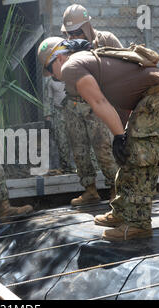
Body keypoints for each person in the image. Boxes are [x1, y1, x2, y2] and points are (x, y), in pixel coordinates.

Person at [37, 37, 159, 241]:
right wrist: (122, 134)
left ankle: (138, 224)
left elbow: (99, 102)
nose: (52, 76)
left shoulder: (71, 67)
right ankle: (122, 213)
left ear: (59, 58)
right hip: (150, 97)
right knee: (128, 155)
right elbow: (119, 99)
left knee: (139, 160)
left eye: (50, 70)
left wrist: (119, 136)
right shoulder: (83, 61)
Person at [58, 4, 123, 206]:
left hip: (97, 103)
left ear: (87, 27)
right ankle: (90, 190)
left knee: (103, 148)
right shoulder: (65, 46)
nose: (73, 36)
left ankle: (115, 189)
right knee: (79, 149)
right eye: (70, 33)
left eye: (77, 31)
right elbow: (58, 73)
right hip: (73, 103)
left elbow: (123, 65)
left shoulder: (106, 40)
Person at [43, 76, 75, 175]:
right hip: (59, 113)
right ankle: (66, 168)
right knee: (62, 141)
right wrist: (48, 117)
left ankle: (83, 167)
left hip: (74, 111)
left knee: (78, 140)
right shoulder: (50, 81)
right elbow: (48, 99)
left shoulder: (72, 76)